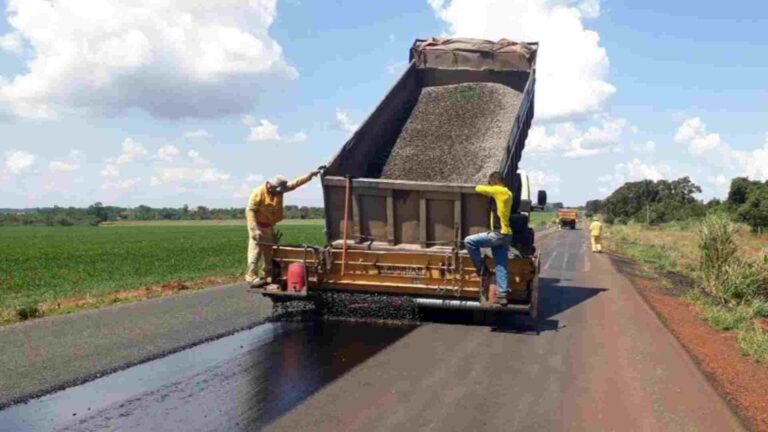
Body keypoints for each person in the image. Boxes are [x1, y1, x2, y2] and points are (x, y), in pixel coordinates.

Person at [245, 169, 322, 287]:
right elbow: (250, 211)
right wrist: (254, 229)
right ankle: (251, 277)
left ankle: (266, 276)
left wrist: (309, 176)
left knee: (269, 254)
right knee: (255, 253)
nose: (279, 193)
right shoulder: (258, 192)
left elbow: (294, 184)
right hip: (258, 226)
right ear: (270, 185)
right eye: (277, 190)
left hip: (269, 227)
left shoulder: (278, 191)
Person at [464, 171, 514, 306]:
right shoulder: (508, 192)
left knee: (469, 241)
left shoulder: (498, 191)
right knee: (501, 265)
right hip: (506, 234)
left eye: (490, 182)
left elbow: (478, 188)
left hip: (498, 233)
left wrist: (486, 185)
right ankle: (502, 295)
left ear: (494, 181)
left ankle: (482, 269)